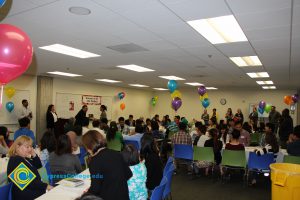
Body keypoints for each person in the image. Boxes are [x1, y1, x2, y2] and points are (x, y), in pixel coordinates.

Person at [82, 130, 132, 200]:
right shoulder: (116, 154)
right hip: (124, 196)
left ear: (88, 147)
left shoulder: (95, 161)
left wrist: (86, 194)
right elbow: (129, 174)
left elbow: (95, 188)